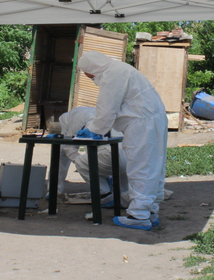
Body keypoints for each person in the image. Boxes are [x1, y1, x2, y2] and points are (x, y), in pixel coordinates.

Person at [76, 50, 168, 230]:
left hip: (141, 123)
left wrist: (93, 129)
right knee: (154, 165)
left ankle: (138, 216)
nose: (88, 77)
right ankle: (150, 211)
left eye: (87, 74)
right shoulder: (121, 68)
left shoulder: (112, 74)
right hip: (153, 119)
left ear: (90, 70)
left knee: (140, 167)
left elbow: (107, 108)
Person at [52, 107, 129, 207]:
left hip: (113, 151)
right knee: (65, 154)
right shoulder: (83, 119)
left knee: (83, 162)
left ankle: (105, 195)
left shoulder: (92, 119)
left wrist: (82, 163)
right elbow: (69, 146)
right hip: (127, 156)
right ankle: (54, 190)